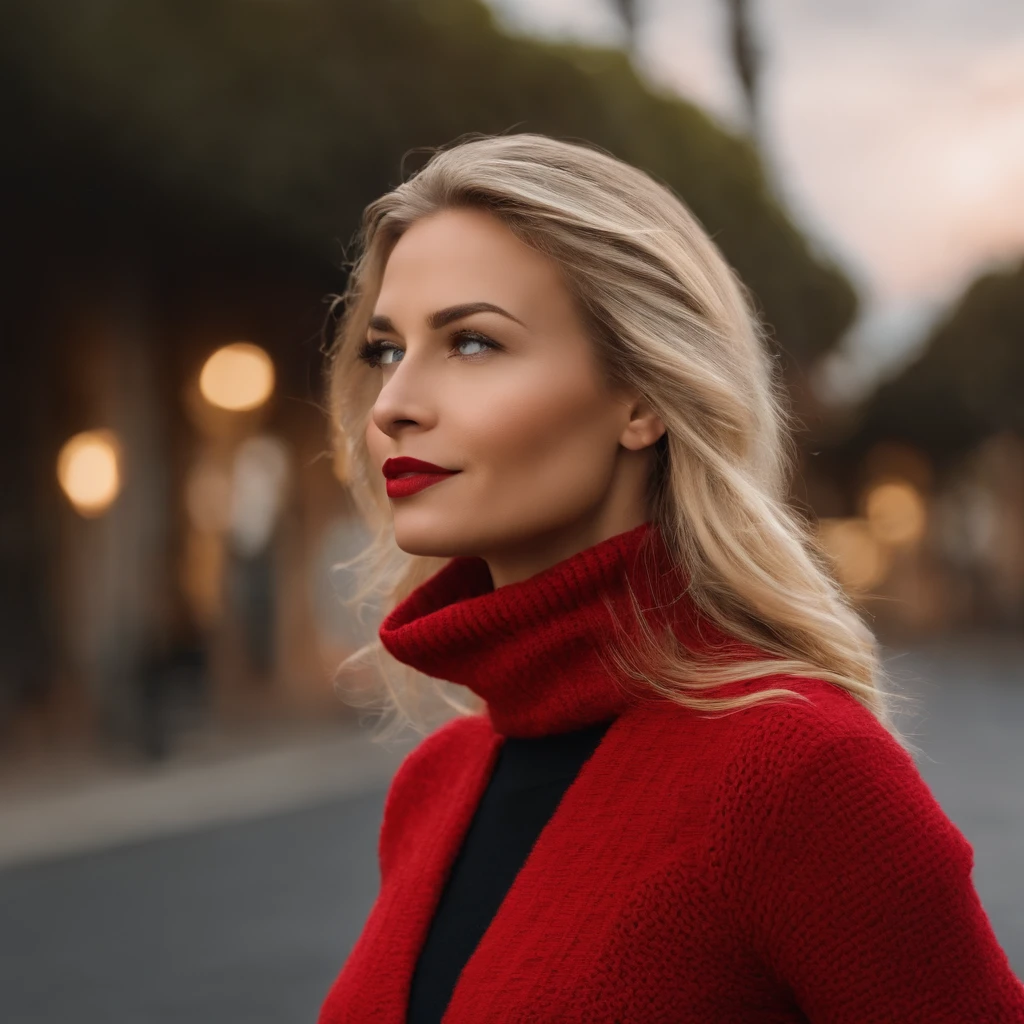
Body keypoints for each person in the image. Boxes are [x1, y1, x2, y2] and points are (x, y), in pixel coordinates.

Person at [317, 133, 1024, 1023]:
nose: (392, 403)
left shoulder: (799, 771)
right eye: (386, 349)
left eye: (471, 342)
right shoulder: (435, 784)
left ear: (642, 397)